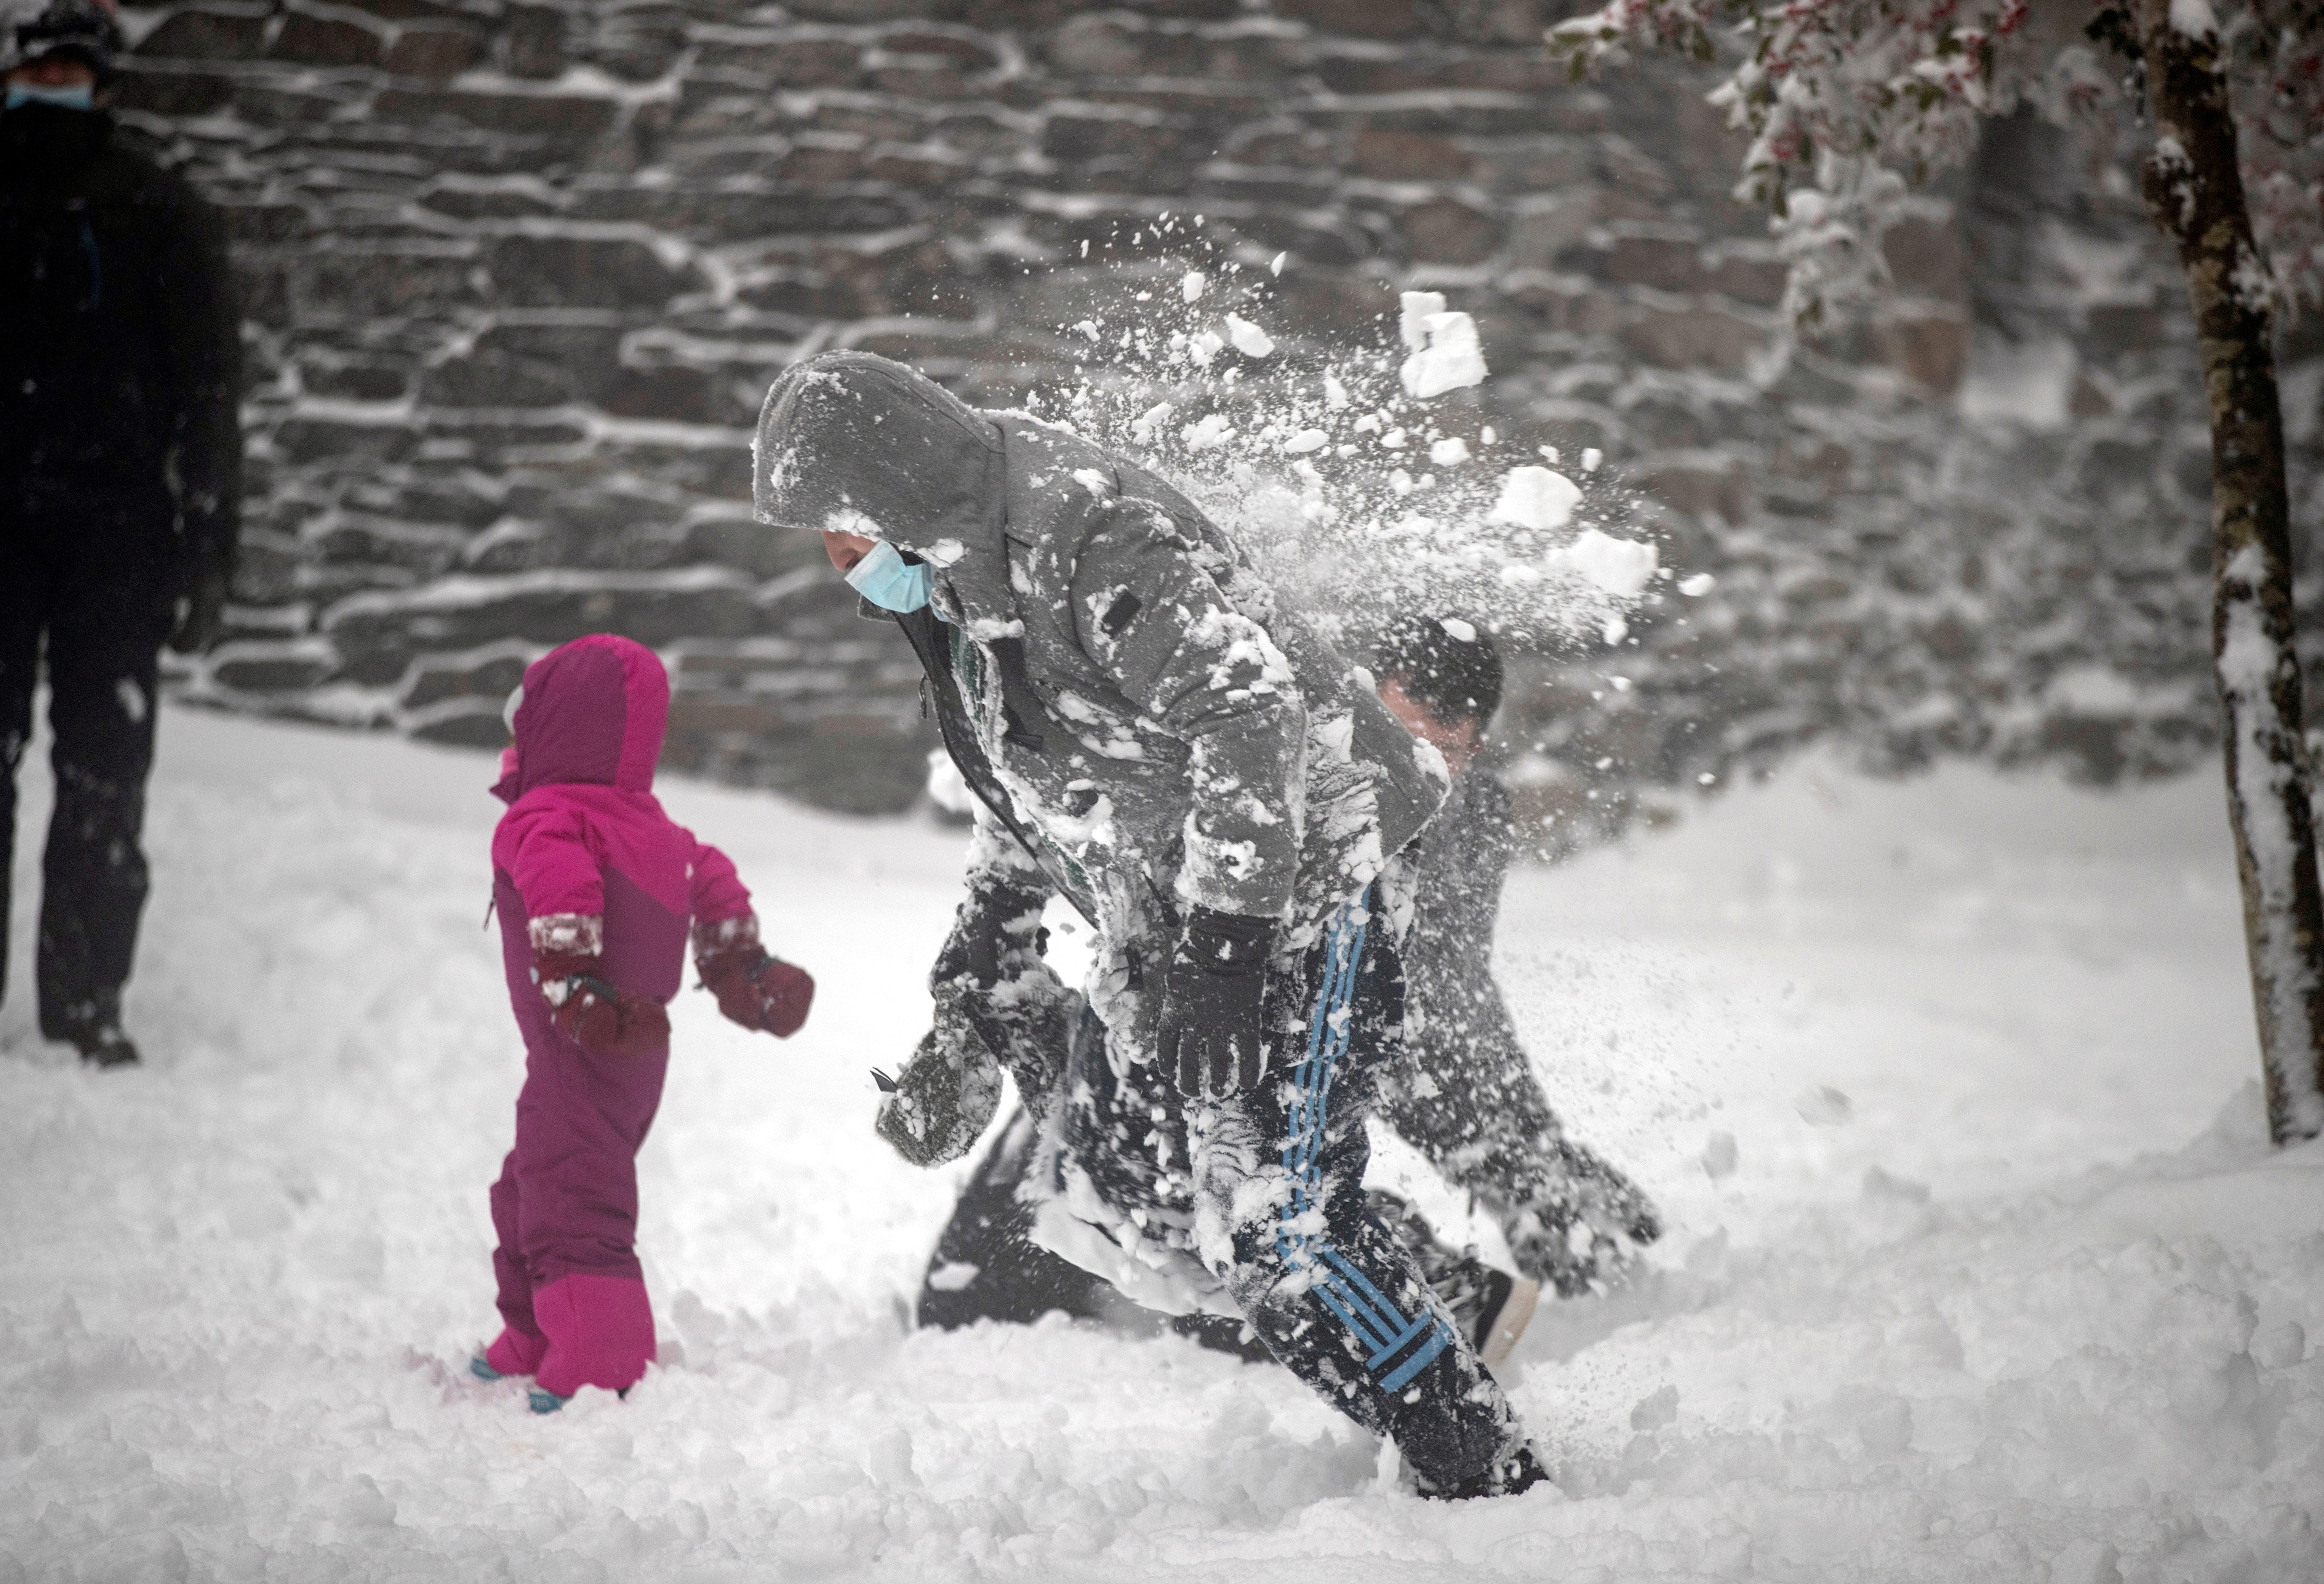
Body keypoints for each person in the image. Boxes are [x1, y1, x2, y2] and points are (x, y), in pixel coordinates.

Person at [753, 349, 1543, 1500]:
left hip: (1323, 868)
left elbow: (1247, 715)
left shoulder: (1081, 534)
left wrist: (1223, 958)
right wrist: (968, 1001)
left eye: (840, 526)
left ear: (895, 486)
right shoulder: (964, 584)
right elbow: (1028, 795)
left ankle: (1485, 1475)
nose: (837, 561)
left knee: (1282, 1227)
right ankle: (1441, 1376)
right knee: (1182, 1220)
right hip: (1184, 893)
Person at [910, 617, 1661, 1364]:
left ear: (1477, 747)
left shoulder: (1463, 818)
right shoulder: (1270, 746)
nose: (1414, 764)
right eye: (1401, 734)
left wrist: (1531, 1171)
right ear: (1365, 700)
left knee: (1259, 1266)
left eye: (1446, 751)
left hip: (1304, 1051)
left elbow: (1445, 1009)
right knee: (971, 1302)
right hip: (1150, 1042)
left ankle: (1449, 1280)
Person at [472, 635, 816, 1413]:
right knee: (531, 1181)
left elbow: (562, 894)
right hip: (627, 1051)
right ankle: (532, 1332)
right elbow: (711, 877)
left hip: (586, 1035)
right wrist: (741, 967)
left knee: (570, 1192)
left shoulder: (548, 818)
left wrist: (573, 983)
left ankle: (598, 1354)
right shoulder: (659, 833)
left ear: (552, 728)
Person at [1, 0, 242, 1067]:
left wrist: (207, 546)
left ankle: (86, 1004)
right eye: (38, 65)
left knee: (104, 769)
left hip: (117, 533)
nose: (52, 80)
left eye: (71, 68)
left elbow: (209, 392)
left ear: (104, 84)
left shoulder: (157, 208)